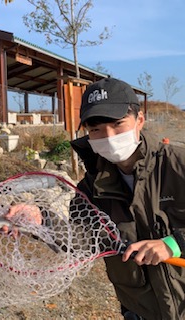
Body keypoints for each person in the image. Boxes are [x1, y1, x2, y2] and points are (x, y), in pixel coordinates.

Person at [70, 77, 185, 320]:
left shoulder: (178, 164)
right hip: (141, 312)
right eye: (96, 129)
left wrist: (174, 244)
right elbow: (80, 241)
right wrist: (38, 222)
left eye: (118, 124)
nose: (109, 137)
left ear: (139, 120)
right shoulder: (90, 190)